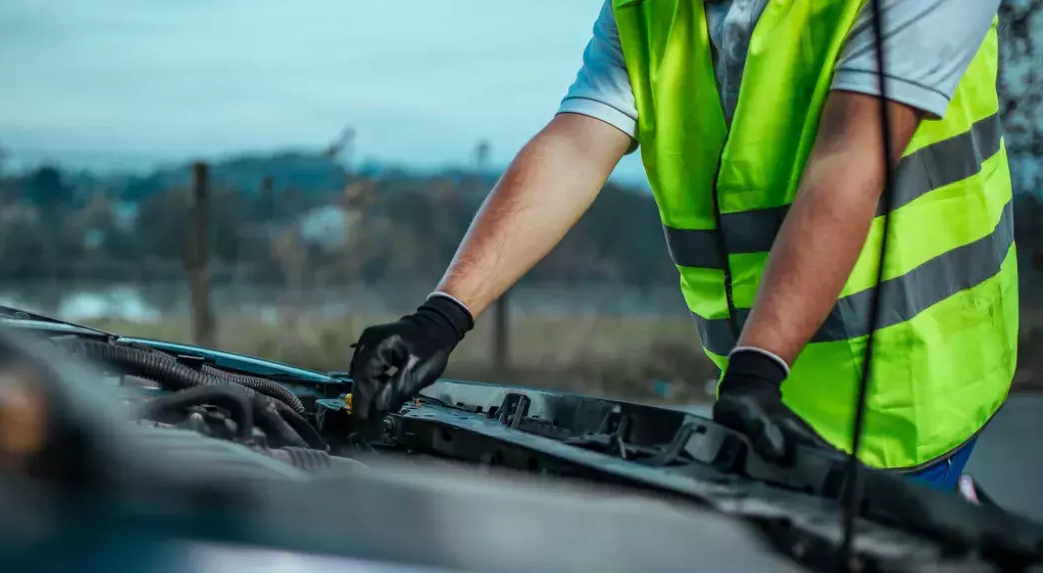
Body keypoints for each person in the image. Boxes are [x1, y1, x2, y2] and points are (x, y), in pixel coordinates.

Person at [348, 0, 1016, 493]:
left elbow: (851, 155)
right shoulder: (649, 10)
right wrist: (440, 319)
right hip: (765, 392)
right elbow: (576, 146)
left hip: (909, 383)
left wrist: (758, 367)